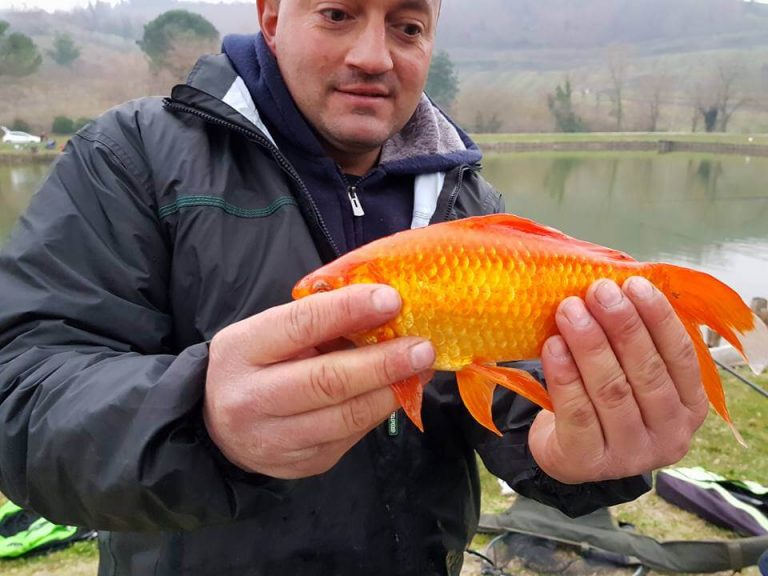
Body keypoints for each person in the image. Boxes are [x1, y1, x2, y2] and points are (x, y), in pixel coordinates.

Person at [0, 1, 709, 574]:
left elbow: (501, 398)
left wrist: (569, 457)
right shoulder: (132, 157)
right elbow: (21, 394)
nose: (374, 55)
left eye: (406, 25)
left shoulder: (470, 203)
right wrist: (201, 419)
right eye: (338, 14)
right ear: (272, 16)